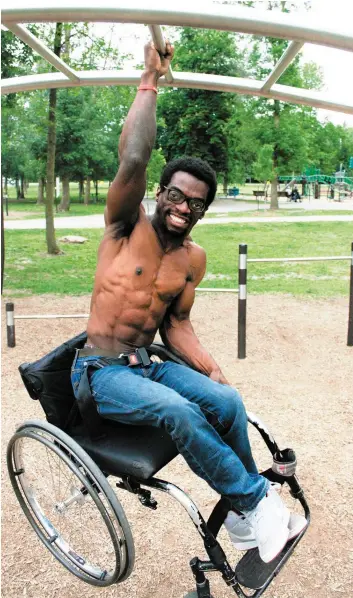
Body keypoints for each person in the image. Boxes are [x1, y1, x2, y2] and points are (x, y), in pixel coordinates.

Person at [71, 41, 306, 563]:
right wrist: (149, 80)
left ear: (203, 209)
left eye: (196, 201)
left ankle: (247, 522)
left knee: (227, 402)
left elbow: (176, 325)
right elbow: (133, 157)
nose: (183, 207)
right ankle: (256, 504)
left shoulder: (193, 259)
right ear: (159, 192)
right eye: (176, 195)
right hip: (100, 373)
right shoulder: (122, 228)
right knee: (181, 411)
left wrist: (211, 368)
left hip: (147, 365)